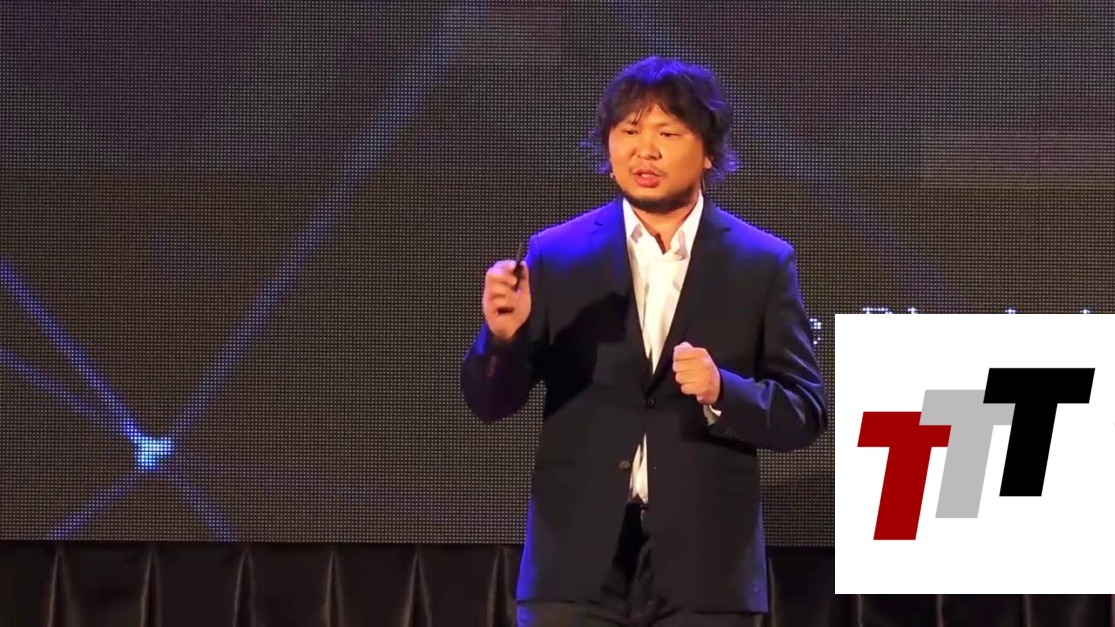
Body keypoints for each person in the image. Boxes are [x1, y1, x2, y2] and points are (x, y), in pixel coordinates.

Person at [460, 56, 828, 626]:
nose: (644, 151)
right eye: (629, 131)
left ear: (708, 152)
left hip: (707, 570)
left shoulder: (761, 263)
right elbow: (491, 404)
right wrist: (501, 339)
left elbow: (804, 412)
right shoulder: (557, 253)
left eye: (667, 134)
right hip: (574, 570)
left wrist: (723, 391)